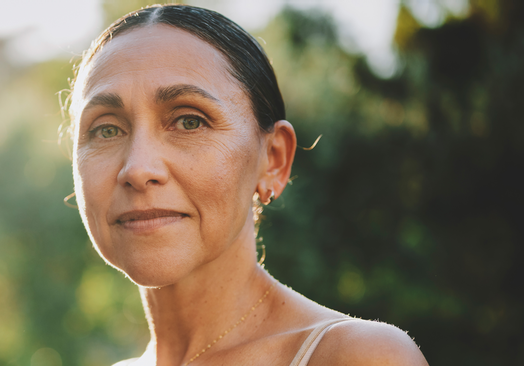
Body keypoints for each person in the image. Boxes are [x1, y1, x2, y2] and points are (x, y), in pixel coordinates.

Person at [65, 5, 427, 366]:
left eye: (189, 121)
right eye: (107, 129)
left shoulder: (358, 357)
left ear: (273, 160)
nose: (137, 168)